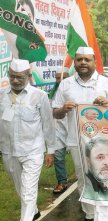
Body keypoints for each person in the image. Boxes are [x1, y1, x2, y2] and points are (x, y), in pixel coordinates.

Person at [52, 47, 108, 221]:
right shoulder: (65, 84)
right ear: (75, 62)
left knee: (102, 176)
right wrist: (63, 109)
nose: (83, 62)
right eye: (79, 59)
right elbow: (55, 113)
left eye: (87, 59)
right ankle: (90, 213)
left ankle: (102, 216)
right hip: (76, 140)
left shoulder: (106, 83)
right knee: (83, 179)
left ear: (94, 62)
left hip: (103, 141)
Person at [0, 59, 55, 221]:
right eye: (12, 77)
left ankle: (26, 218)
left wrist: (50, 150)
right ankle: (34, 211)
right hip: (8, 150)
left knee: (28, 189)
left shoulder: (39, 96)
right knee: (21, 187)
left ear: (28, 76)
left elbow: (48, 124)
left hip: (33, 151)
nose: (15, 81)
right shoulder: (2, 95)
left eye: (20, 77)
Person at [51, 72, 70, 194]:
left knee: (81, 158)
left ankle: (86, 182)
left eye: (63, 77)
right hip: (57, 129)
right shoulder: (52, 94)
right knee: (58, 157)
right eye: (58, 78)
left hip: (72, 129)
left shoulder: (72, 92)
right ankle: (62, 181)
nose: (60, 80)